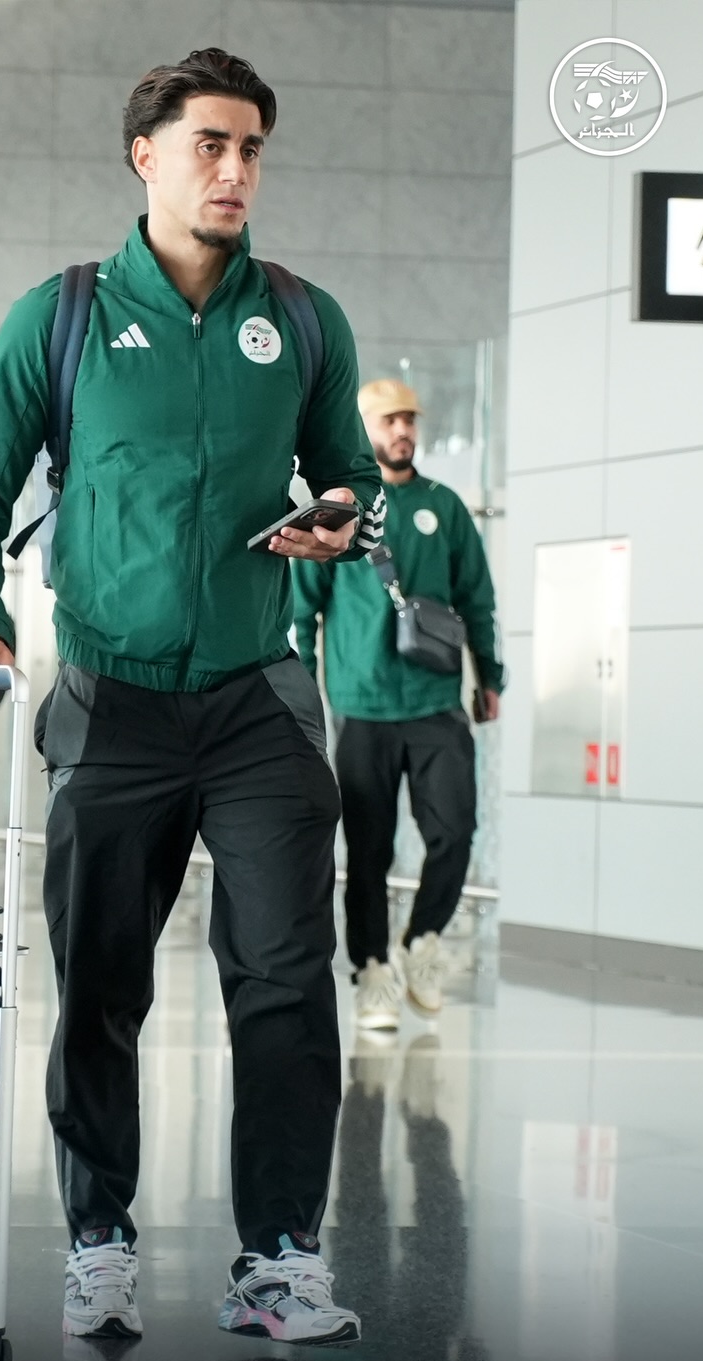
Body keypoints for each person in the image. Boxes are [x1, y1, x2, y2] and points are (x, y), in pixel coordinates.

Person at [0, 49, 385, 1347]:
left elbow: (353, 481)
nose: (236, 170)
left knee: (286, 982)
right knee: (99, 985)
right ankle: (98, 1238)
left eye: (252, 150)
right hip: (111, 701)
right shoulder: (64, 316)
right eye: (210, 145)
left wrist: (337, 518)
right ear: (146, 155)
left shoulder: (302, 319)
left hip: (258, 701)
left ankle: (281, 1258)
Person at [293, 379, 504, 1032]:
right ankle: (373, 971)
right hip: (362, 706)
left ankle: (423, 941)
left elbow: (477, 598)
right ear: (364, 430)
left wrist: (490, 676)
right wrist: (301, 696)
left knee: (455, 831)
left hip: (436, 702)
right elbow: (302, 613)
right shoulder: (336, 512)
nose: (402, 429)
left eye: (408, 418)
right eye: (388, 420)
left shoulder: (444, 506)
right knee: (369, 852)